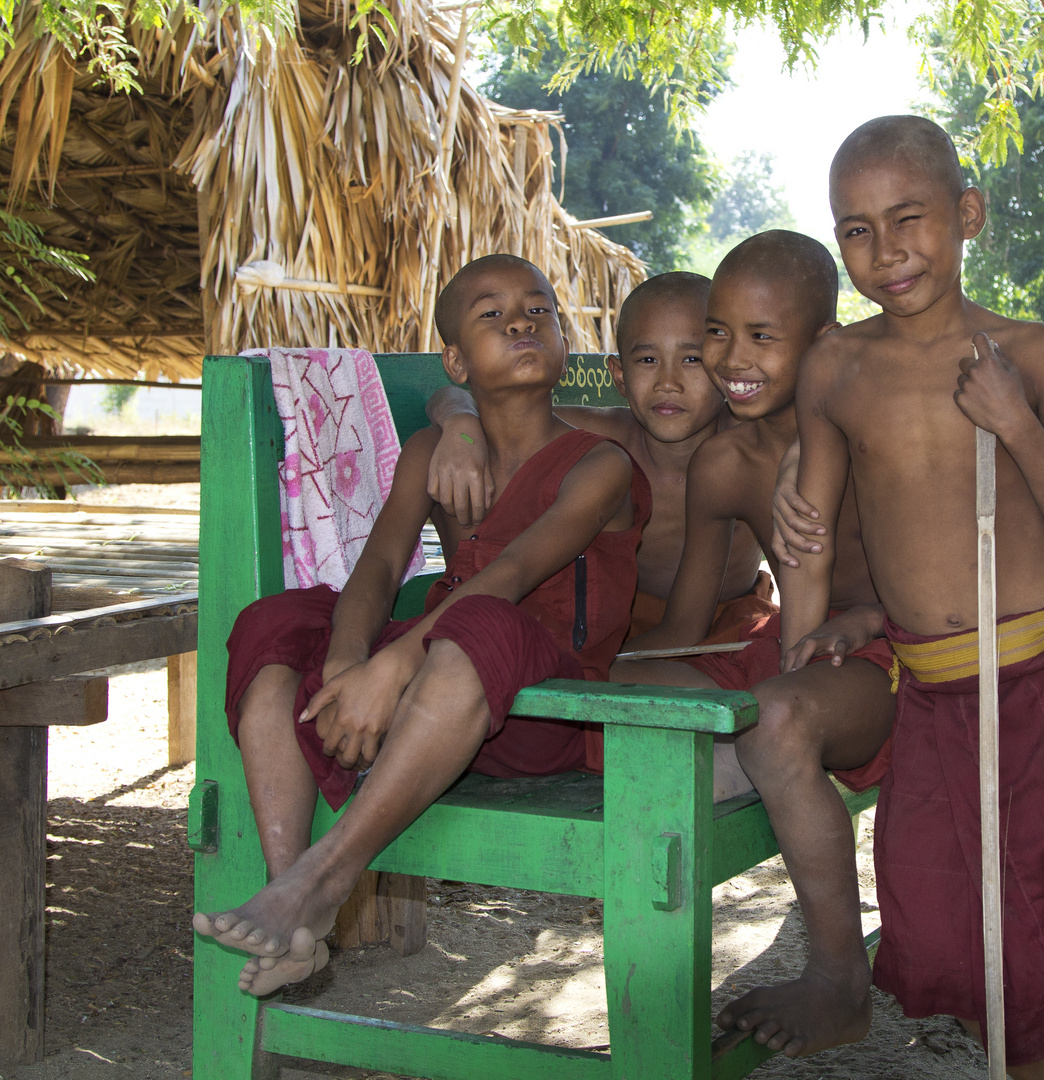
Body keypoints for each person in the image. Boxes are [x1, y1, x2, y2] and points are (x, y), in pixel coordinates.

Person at [777, 116, 1044, 1079]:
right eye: (857, 231)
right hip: (931, 692)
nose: (886, 252)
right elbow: (815, 528)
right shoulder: (835, 367)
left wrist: (1015, 425)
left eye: (909, 218)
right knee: (953, 930)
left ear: (968, 215)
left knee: (1041, 956)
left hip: (1040, 685)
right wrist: (812, 634)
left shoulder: (1029, 355)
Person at [194, 254, 649, 997]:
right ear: (456, 359)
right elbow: (376, 570)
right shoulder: (434, 452)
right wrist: (347, 663)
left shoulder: (598, 465)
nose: (521, 325)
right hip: (434, 689)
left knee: (481, 624)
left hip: (543, 713)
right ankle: (293, 914)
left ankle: (326, 876)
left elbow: (507, 579)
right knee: (277, 620)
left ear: (565, 343)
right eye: (492, 316)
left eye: (539, 312)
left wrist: (391, 667)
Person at [614, 230, 899, 1058]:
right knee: (625, 695)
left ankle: (842, 982)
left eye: (761, 337)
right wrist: (599, 670)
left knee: (774, 721)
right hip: (789, 654)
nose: (731, 358)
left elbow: (946, 575)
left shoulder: (871, 424)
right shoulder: (727, 462)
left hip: (892, 654)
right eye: (719, 332)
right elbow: (684, 627)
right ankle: (757, 765)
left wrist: (872, 619)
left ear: (821, 341)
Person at [423, 271, 774, 644]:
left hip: (733, 624)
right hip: (615, 622)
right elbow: (452, 397)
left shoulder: (752, 448)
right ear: (620, 377)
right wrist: (461, 426)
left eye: (691, 358)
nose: (667, 382)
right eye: (649, 359)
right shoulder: (598, 439)